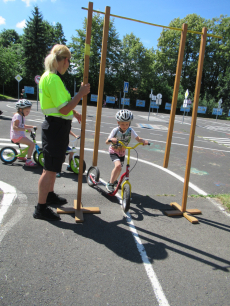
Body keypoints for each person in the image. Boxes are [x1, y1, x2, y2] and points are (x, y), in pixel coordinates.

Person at [33, 44, 90, 221]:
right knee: (49, 169)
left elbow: (61, 105)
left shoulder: (48, 77)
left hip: (57, 126)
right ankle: (40, 208)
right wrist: (80, 93)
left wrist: (75, 111)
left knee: (54, 166)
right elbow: (63, 109)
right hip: (56, 127)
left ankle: (49, 196)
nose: (68, 64)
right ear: (64, 60)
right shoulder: (53, 79)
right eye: (68, 61)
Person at [105, 109, 149, 193]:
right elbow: (107, 141)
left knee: (120, 168)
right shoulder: (115, 130)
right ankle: (110, 184)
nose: (124, 126)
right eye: (122, 124)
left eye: (127, 124)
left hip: (122, 152)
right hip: (114, 151)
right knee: (118, 166)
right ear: (118, 123)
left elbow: (138, 138)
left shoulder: (130, 130)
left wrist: (143, 141)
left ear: (129, 123)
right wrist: (111, 139)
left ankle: (114, 181)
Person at [10, 99, 37, 166]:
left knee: (30, 144)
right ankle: (28, 161)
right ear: (20, 110)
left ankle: (21, 156)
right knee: (32, 144)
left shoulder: (21, 116)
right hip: (16, 136)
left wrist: (32, 126)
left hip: (19, 135)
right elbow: (15, 127)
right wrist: (26, 130)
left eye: (29, 111)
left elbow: (22, 125)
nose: (28, 112)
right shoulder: (17, 116)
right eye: (27, 111)